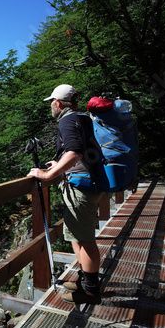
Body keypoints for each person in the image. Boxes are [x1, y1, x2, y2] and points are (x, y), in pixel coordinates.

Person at [27, 84, 104, 305]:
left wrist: (48, 173)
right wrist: (60, 163)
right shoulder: (84, 118)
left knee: (86, 241)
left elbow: (75, 151)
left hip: (80, 189)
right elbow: (80, 152)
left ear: (58, 103)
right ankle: (84, 282)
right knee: (78, 238)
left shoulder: (67, 120)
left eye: (52, 102)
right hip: (90, 184)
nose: (51, 106)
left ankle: (90, 291)